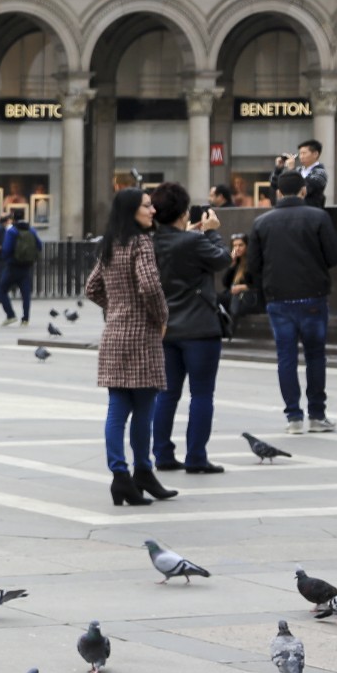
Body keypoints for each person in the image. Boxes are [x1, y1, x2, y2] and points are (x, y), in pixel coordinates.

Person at [85, 187, 172, 506]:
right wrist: (162, 316)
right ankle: (143, 470)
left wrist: (118, 306)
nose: (152, 211)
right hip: (142, 334)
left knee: (117, 409)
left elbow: (91, 287)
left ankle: (121, 476)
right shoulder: (141, 242)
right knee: (145, 409)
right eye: (147, 207)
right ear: (131, 211)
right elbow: (150, 285)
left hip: (114, 334)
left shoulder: (111, 243)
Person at [245, 167, 337, 434]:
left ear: (277, 192)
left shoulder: (262, 222)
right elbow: (332, 256)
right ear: (304, 190)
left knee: (285, 357)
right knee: (315, 355)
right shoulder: (318, 217)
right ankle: (317, 415)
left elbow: (253, 265)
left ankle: (293, 417)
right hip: (312, 296)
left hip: (278, 299)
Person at [148, 182, 231, 476]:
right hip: (199, 328)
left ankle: (162, 454)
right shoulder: (194, 242)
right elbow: (223, 258)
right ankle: (196, 456)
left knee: (166, 394)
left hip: (165, 328)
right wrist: (211, 231)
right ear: (184, 212)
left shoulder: (150, 243)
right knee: (202, 394)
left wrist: (193, 233)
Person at [0, 208, 40, 326]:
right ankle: (25, 319)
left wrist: (7, 258)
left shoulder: (12, 231)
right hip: (26, 266)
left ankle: (10, 315)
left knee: (2, 290)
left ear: (13, 218)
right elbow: (39, 245)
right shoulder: (31, 230)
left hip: (12, 266)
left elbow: (6, 249)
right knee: (25, 294)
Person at [294, 139, 328, 208]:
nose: (301, 157)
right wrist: (278, 169)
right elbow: (278, 185)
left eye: (304, 153)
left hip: (312, 211)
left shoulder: (320, 172)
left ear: (315, 154)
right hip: (295, 210)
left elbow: (307, 189)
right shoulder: (298, 170)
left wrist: (291, 171)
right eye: (300, 153)